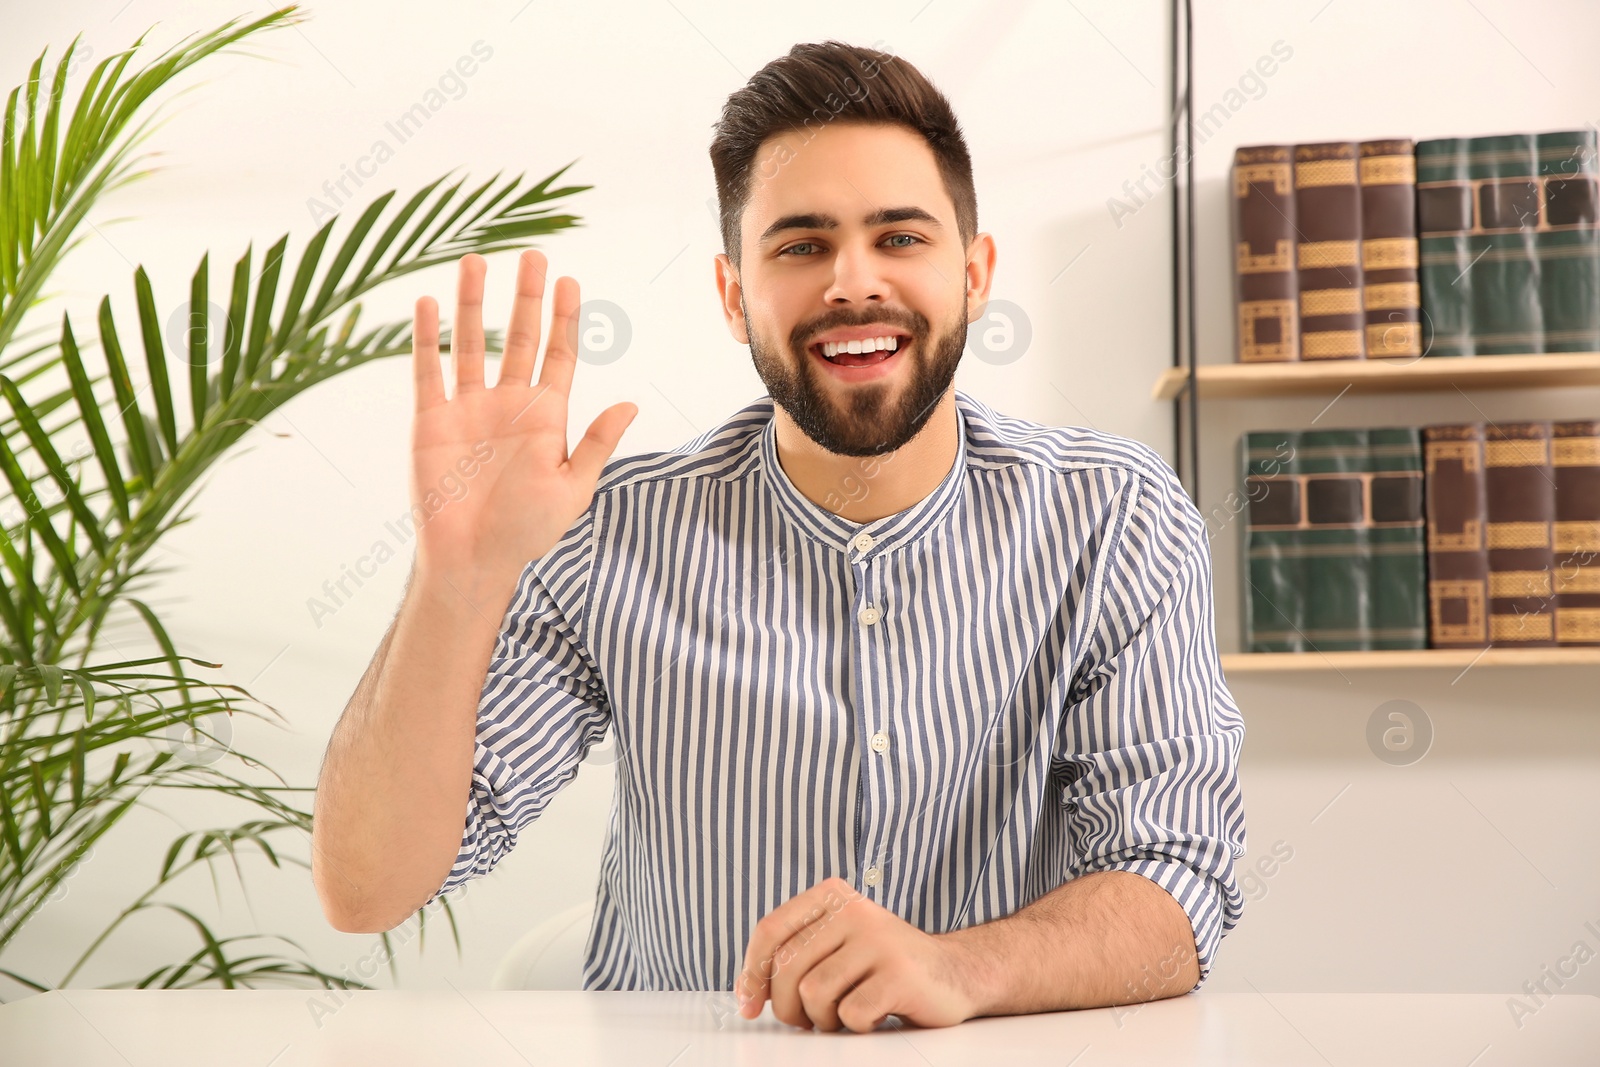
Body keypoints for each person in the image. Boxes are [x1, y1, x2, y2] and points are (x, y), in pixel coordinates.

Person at [311, 39, 1247, 1035]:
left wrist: (956, 966)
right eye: (800, 245)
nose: (852, 282)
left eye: (900, 238)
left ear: (973, 273)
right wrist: (457, 575)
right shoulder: (608, 532)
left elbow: (1176, 883)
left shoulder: (1114, 517)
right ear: (732, 294)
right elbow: (367, 887)